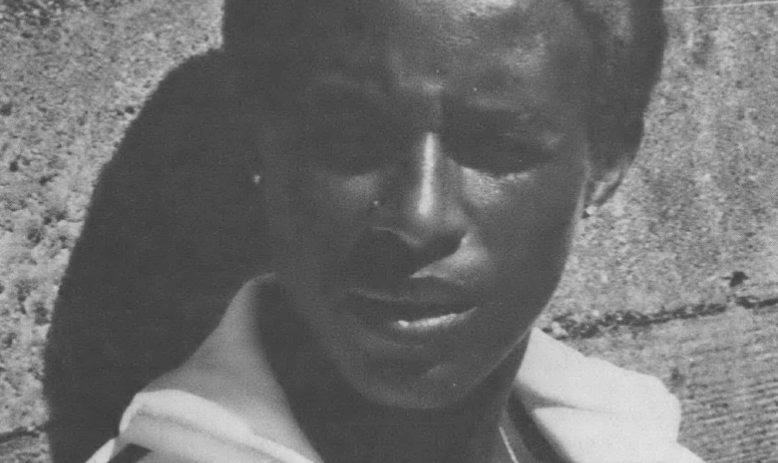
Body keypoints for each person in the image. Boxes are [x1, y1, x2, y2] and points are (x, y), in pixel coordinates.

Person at [80, 0, 704, 461]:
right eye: (350, 137)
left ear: (606, 163)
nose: (419, 219)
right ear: (256, 146)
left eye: (499, 144)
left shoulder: (631, 443)